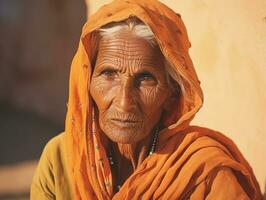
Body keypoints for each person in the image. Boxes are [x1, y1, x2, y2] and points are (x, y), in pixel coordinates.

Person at [30, 0, 262, 199]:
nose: (124, 102)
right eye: (109, 74)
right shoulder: (61, 159)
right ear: (86, 83)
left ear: (171, 95)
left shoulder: (205, 174)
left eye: (146, 78)